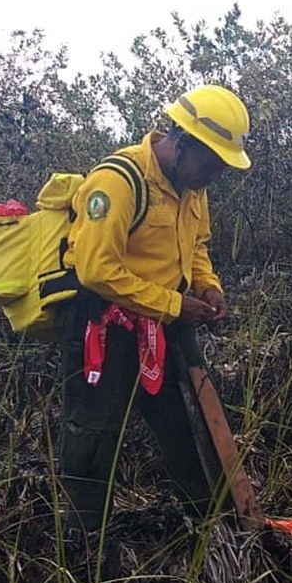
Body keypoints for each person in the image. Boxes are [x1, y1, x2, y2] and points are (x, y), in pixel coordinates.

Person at [56, 83, 250, 535]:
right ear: (183, 144)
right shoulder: (118, 181)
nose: (215, 176)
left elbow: (196, 245)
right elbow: (96, 270)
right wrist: (173, 305)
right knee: (94, 430)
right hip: (102, 323)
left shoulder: (192, 186)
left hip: (165, 321)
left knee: (193, 419)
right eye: (213, 163)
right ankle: (86, 540)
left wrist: (208, 286)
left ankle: (213, 530)